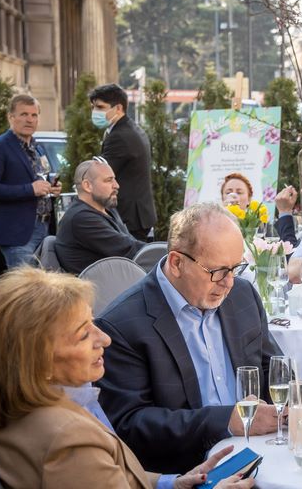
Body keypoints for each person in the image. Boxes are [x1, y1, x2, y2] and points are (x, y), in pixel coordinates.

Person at [0, 267, 253, 489]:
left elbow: (109, 474)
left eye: (93, 323)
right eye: (83, 334)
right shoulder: (68, 440)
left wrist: (173, 482)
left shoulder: (14, 407)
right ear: (35, 361)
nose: (104, 339)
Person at [96, 202, 287, 473]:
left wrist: (293, 396)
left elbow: (270, 366)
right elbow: (130, 425)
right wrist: (225, 421)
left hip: (261, 452)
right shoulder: (122, 324)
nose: (229, 282)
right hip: (189, 469)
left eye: (236, 268)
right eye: (218, 271)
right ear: (177, 263)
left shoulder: (242, 295)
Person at [0, 94, 61, 267]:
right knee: (26, 290)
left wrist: (50, 189)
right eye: (24, 114)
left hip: (45, 227)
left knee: (43, 288)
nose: (29, 120)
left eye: (34, 115)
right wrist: (30, 189)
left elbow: (39, 181)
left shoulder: (37, 147)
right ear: (11, 117)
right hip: (17, 233)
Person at [54, 158, 146, 274]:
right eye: (108, 180)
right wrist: (168, 250)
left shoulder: (107, 208)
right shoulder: (81, 219)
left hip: (118, 280)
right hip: (100, 289)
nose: (116, 185)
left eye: (115, 179)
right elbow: (129, 250)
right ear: (87, 186)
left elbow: (131, 244)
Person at [90, 83, 156, 241]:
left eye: (100, 107)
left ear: (118, 108)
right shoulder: (131, 128)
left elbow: (100, 174)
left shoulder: (120, 135)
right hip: (138, 215)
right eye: (93, 107)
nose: (95, 112)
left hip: (128, 217)